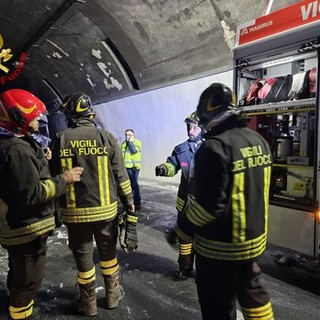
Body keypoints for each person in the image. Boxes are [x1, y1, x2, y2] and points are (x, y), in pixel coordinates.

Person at [176, 83, 274, 320]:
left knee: (217, 307)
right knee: (255, 300)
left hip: (220, 250)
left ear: (209, 114)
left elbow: (208, 207)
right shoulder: (258, 141)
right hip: (253, 244)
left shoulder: (213, 148)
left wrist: (183, 228)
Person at [50, 92, 137, 317]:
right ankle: (112, 296)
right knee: (108, 253)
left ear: (71, 114)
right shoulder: (106, 138)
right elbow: (121, 177)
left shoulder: (60, 139)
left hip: (75, 214)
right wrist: (129, 204)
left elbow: (53, 178)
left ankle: (88, 304)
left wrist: (54, 212)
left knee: (84, 257)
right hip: (106, 212)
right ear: (89, 113)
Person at [0, 89, 83, 320]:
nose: (39, 120)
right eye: (35, 116)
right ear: (19, 117)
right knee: (28, 280)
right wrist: (63, 179)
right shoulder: (16, 151)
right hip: (25, 230)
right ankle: (20, 313)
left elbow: (23, 179)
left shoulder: (15, 144)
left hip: (20, 227)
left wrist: (40, 158)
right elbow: (32, 193)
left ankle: (17, 302)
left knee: (19, 275)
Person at [155, 112, 202, 280]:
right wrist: (164, 168)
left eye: (194, 126)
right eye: (188, 126)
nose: (190, 129)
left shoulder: (211, 148)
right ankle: (185, 266)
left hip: (204, 206)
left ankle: (204, 271)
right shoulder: (181, 149)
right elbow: (173, 165)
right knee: (184, 238)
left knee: (203, 240)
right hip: (185, 205)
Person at [121, 129, 142, 210]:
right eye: (126, 135)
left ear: (133, 135)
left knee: (134, 185)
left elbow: (134, 151)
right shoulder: (123, 144)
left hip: (133, 168)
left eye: (129, 135)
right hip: (125, 168)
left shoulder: (137, 142)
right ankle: (129, 202)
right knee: (126, 185)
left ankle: (137, 203)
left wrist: (129, 142)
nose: (127, 136)